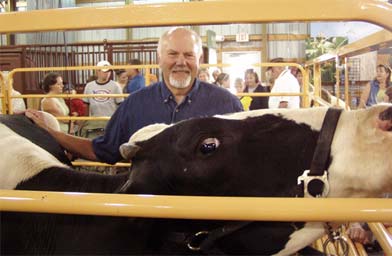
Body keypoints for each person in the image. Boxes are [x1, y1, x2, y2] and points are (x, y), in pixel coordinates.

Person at [26, 27, 243, 164]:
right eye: (172, 54)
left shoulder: (227, 105)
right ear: (159, 58)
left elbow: (245, 161)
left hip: (208, 216)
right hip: (150, 218)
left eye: (188, 55)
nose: (180, 62)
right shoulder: (136, 105)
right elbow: (103, 151)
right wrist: (52, 133)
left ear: (200, 59)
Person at [81, 60, 124, 138]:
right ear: (98, 71)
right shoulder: (89, 86)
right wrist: (85, 120)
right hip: (94, 122)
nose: (107, 74)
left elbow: (120, 105)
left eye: (109, 71)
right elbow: (86, 105)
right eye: (104, 71)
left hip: (110, 121)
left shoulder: (115, 86)